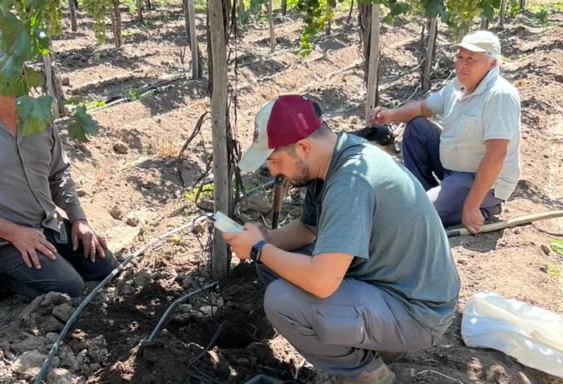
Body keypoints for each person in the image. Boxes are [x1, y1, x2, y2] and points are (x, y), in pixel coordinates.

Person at [222, 95, 461, 383]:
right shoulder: (332, 160)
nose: (274, 172)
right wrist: (265, 238)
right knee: (273, 262)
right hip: (395, 288)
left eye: (275, 161)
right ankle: (366, 342)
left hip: (418, 312)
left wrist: (259, 249)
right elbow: (309, 230)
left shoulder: (350, 183)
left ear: (304, 147)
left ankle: (368, 374)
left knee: (282, 300)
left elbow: (321, 282)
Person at [0, 31, 118, 300]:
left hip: (49, 227)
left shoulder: (38, 117)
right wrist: (16, 234)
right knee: (70, 287)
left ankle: (47, 264)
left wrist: (79, 219)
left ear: (19, 73)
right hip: (1, 240)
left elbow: (58, 173)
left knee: (106, 268)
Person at [371, 30, 521, 234]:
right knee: (417, 127)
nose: (462, 64)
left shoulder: (499, 95)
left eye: (471, 59)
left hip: (482, 181)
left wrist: (471, 205)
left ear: (492, 63)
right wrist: (390, 115)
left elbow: (496, 155)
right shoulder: (457, 87)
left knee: (415, 217)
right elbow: (423, 108)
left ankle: (480, 205)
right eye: (460, 57)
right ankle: (429, 195)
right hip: (454, 172)